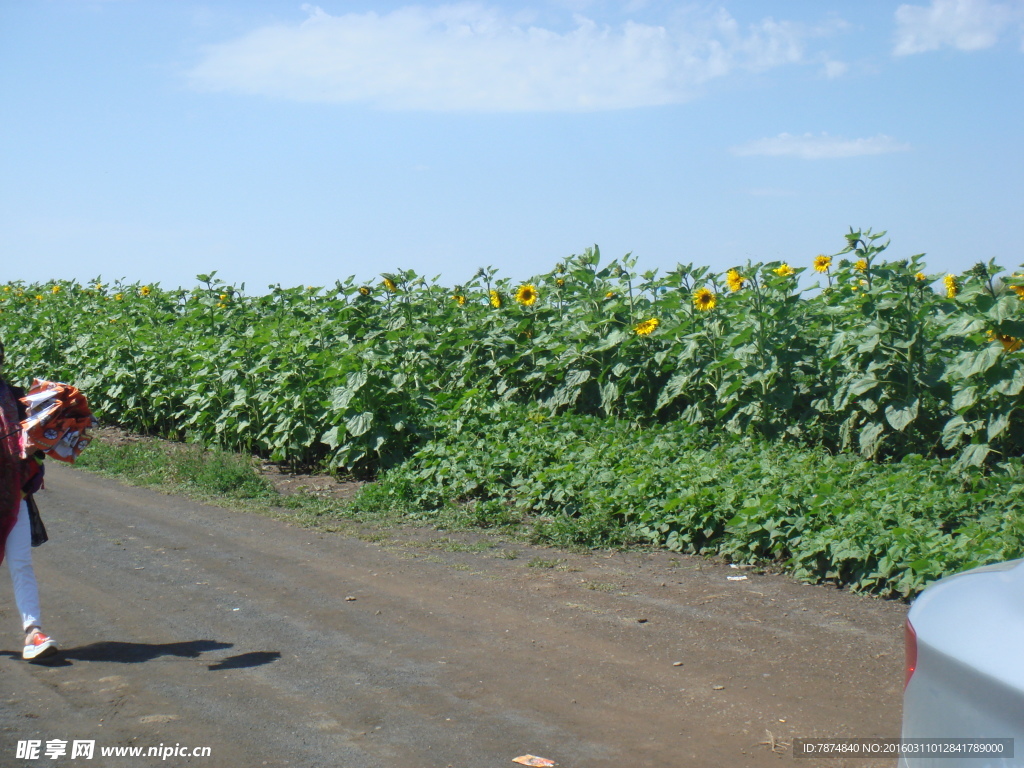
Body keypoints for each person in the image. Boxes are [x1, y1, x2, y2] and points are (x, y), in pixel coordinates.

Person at [0, 338, 57, 661]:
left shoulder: (18, 400)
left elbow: (32, 449)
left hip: (14, 495)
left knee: (21, 563)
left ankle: (33, 632)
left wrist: (37, 447)